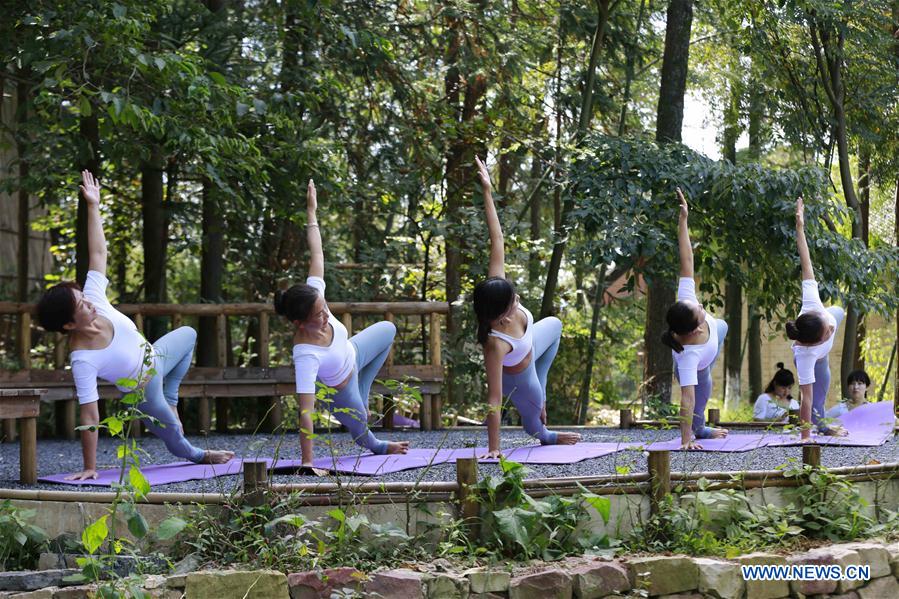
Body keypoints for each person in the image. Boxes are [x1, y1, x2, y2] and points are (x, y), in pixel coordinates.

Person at [35, 171, 234, 481]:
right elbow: (89, 412)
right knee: (176, 438)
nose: (89, 303)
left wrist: (93, 205)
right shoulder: (83, 359)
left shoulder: (95, 297)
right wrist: (90, 467)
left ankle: (171, 398)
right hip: (144, 393)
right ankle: (200, 454)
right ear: (69, 324)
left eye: (84, 297)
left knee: (189, 334)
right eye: (81, 305)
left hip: (157, 357)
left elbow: (98, 252)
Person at [276, 179, 409, 466]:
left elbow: (317, 253)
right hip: (341, 388)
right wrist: (308, 463)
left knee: (388, 330)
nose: (326, 317)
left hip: (354, 353)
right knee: (363, 434)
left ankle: (363, 394)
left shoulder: (315, 295)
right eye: (319, 316)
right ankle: (377, 442)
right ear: (299, 323)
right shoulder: (305, 355)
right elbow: (305, 412)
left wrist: (311, 211)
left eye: (325, 309)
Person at [472, 156, 581, 458]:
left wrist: (487, 191)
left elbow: (497, 238)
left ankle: (541, 392)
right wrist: (494, 449)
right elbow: (494, 399)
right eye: (513, 302)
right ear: (500, 316)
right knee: (535, 428)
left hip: (532, 349)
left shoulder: (496, 287)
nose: (517, 299)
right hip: (520, 379)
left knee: (555, 325)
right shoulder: (495, 344)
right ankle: (548, 433)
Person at [660, 188, 729, 449]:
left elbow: (686, 258)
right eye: (700, 311)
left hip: (715, 335)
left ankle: (699, 428)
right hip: (701, 363)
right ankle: (698, 430)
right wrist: (685, 440)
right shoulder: (688, 357)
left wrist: (683, 220)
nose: (700, 304)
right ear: (694, 329)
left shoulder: (685, 302)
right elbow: (685, 399)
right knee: (700, 402)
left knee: (722, 325)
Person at [786, 197, 847, 439]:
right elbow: (806, 399)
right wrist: (805, 438)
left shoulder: (812, 303)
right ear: (814, 342)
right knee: (819, 393)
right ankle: (822, 427)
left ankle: (834, 312)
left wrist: (800, 226)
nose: (831, 330)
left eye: (828, 329)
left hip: (829, 313)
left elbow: (805, 261)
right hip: (819, 357)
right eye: (827, 333)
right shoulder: (806, 355)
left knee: (837, 312)